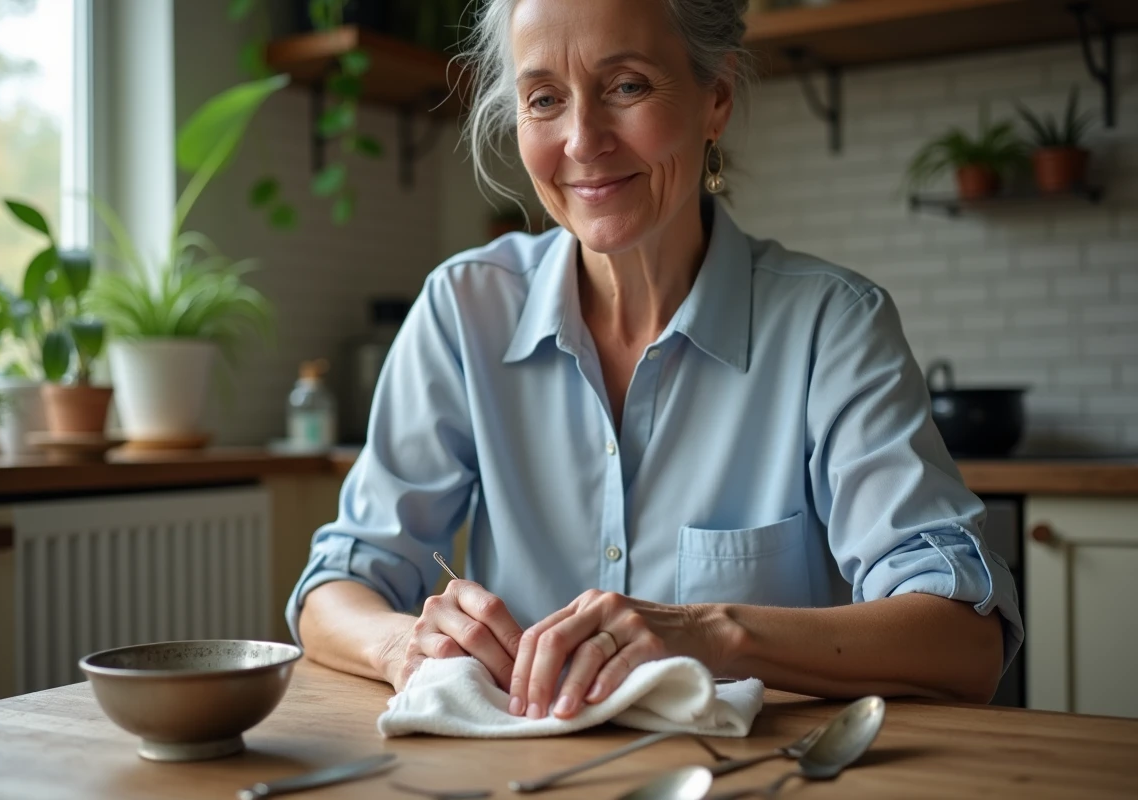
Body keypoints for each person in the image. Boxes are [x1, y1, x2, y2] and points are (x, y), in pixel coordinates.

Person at [287, 0, 1023, 722]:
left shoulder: (832, 325)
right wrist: (404, 646)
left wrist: (710, 634)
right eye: (544, 99)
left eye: (627, 86)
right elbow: (335, 588)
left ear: (717, 98)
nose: (581, 139)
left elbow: (963, 640)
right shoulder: (463, 309)